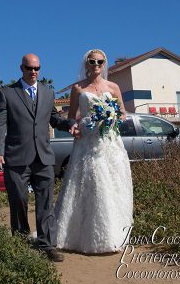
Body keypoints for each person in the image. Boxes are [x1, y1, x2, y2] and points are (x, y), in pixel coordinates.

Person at [0, 53, 79, 262]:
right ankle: (21, 244)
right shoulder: (7, 93)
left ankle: (46, 245)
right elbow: (0, 124)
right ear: (21, 68)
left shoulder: (48, 93)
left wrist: (69, 125)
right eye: (29, 68)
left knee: (46, 204)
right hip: (16, 158)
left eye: (37, 68)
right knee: (19, 201)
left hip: (44, 157)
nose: (33, 72)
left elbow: (54, 119)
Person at [55, 48, 133, 254]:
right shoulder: (78, 89)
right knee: (94, 182)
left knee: (113, 185)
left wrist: (112, 116)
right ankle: (84, 237)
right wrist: (78, 124)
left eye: (100, 61)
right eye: (92, 61)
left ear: (105, 63)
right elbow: (72, 116)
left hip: (109, 142)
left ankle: (114, 234)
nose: (96, 65)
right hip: (87, 144)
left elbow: (123, 114)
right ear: (86, 64)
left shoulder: (113, 87)